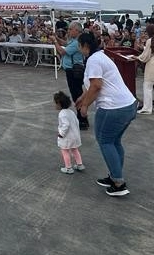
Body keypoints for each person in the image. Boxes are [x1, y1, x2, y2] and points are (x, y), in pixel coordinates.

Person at [75, 32, 137, 197]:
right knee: (114, 142)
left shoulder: (93, 60)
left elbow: (96, 85)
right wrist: (83, 97)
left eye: (79, 45)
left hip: (113, 108)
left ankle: (118, 183)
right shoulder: (101, 56)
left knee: (105, 141)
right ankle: (115, 175)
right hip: (127, 105)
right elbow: (95, 84)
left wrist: (85, 106)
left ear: (85, 46)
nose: (78, 49)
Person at [52, 21, 88, 129]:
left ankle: (82, 119)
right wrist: (57, 39)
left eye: (70, 29)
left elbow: (62, 51)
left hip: (73, 71)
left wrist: (55, 41)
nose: (68, 31)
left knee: (77, 95)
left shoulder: (77, 42)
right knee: (77, 93)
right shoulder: (75, 41)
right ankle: (81, 117)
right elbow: (66, 44)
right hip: (72, 70)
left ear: (76, 30)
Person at [54, 91, 84, 174]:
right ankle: (80, 164)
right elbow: (77, 122)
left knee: (65, 151)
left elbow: (66, 125)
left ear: (59, 104)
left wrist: (61, 134)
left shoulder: (62, 114)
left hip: (67, 137)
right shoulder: (71, 112)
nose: (55, 105)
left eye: (56, 103)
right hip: (75, 136)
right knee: (75, 149)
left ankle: (68, 168)